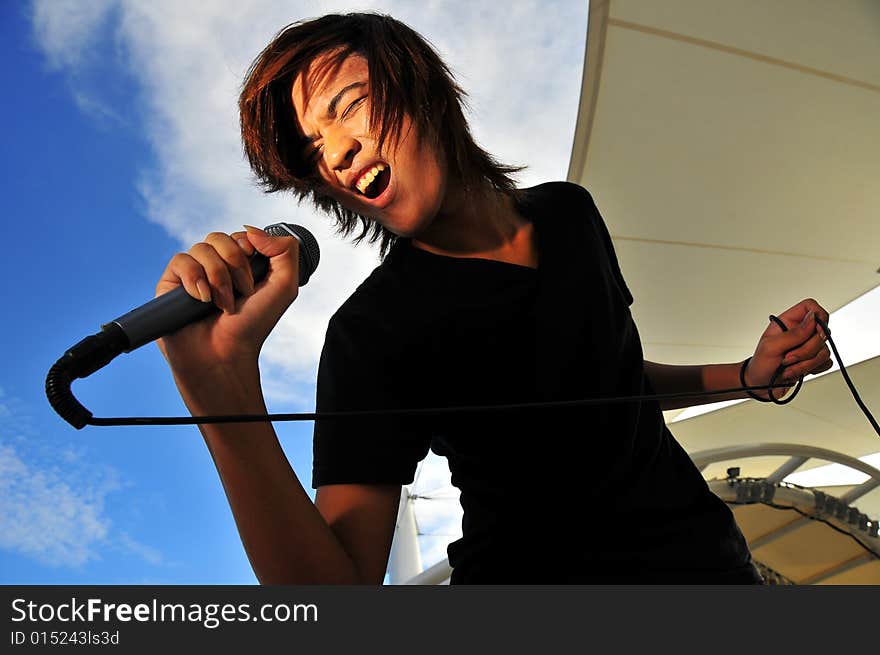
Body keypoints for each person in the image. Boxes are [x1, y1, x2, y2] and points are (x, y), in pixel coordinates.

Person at [155, 13, 833, 583]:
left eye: (348, 106)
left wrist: (748, 377)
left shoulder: (571, 214)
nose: (335, 151)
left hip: (714, 569)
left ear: (424, 87)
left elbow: (617, 380)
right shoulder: (372, 331)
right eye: (312, 151)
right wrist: (223, 397)